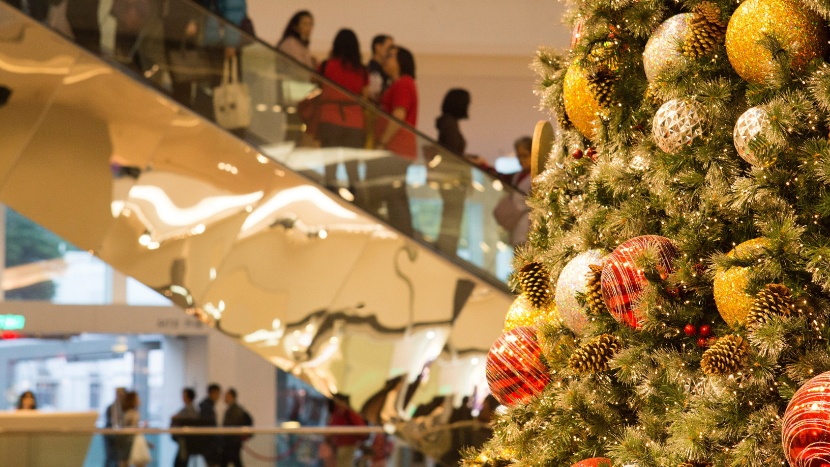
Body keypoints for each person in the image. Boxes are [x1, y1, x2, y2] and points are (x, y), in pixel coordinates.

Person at [366, 46, 419, 235]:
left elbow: (398, 114)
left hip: (396, 147)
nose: (385, 60)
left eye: (390, 57)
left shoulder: (403, 83)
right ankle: (401, 232)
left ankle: (402, 233)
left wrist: (382, 143)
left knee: (394, 195)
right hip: (398, 148)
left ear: (400, 63)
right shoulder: (398, 84)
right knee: (394, 194)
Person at [317, 28, 369, 190]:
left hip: (330, 119)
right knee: (352, 170)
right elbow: (364, 97)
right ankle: (358, 203)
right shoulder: (362, 70)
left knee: (330, 170)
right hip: (354, 122)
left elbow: (317, 85)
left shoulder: (326, 66)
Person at [433, 88, 473, 254]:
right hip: (453, 177)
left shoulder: (449, 123)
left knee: (452, 214)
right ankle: (447, 248)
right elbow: (452, 153)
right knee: (453, 215)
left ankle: (448, 247)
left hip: (451, 177)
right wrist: (468, 160)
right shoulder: (449, 124)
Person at [493, 137, 533, 246]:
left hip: (530, 233)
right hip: (516, 231)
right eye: (519, 156)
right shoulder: (516, 176)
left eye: (525, 155)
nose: (521, 159)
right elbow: (498, 175)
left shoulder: (538, 177)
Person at [327, 395, 367, 467]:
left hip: (347, 445)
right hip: (338, 445)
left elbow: (361, 427)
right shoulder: (337, 410)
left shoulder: (349, 410)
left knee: (344, 463)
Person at [221, 388, 254, 467]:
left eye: (227, 395)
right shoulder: (232, 409)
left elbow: (231, 426)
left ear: (232, 396)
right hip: (232, 442)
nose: (225, 397)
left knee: (233, 461)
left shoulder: (235, 410)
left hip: (232, 442)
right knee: (232, 461)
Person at [171, 388, 199, 467]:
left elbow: (187, 421)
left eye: (183, 395)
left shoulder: (190, 410)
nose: (182, 397)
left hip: (186, 440)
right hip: (184, 440)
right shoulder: (187, 409)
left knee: (181, 462)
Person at [198, 383, 222, 467]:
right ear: (212, 392)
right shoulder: (207, 407)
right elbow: (210, 428)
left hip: (209, 445)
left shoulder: (207, 406)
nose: (219, 396)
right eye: (218, 393)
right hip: (209, 445)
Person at [104, 387, 127, 467]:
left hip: (121, 436)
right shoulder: (110, 407)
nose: (119, 396)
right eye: (118, 394)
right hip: (110, 435)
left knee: (119, 458)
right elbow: (109, 421)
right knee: (110, 456)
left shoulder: (125, 408)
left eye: (121, 394)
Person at [367, 35, 394, 102]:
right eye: (389, 48)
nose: (391, 51)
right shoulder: (371, 70)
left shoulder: (387, 71)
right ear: (378, 47)